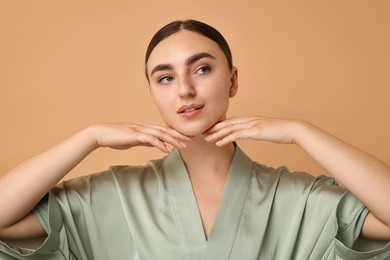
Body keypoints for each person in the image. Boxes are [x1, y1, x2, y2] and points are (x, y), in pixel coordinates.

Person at [0, 19, 389, 260]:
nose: (185, 89)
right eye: (165, 78)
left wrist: (301, 131)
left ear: (232, 80)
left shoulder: (299, 199)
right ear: (153, 91)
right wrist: (89, 137)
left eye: (202, 68)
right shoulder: (109, 194)